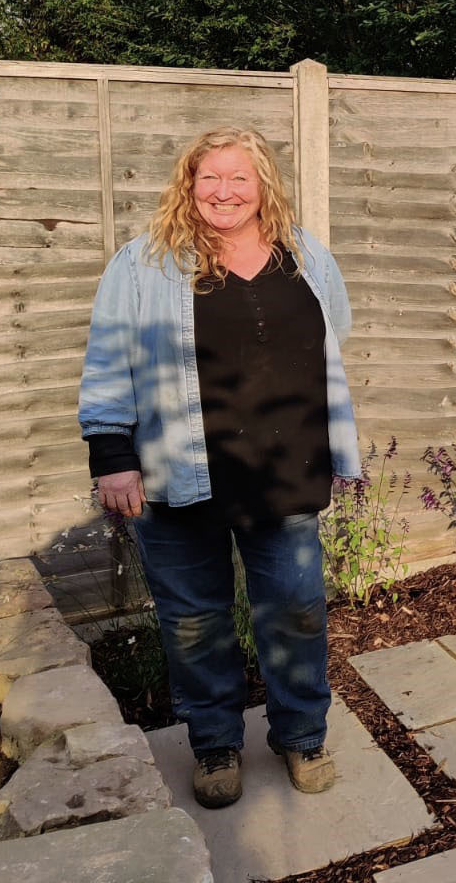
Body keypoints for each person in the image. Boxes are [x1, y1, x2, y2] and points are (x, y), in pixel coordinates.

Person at [78, 127, 361, 809]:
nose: (223, 192)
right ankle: (213, 744)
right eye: (210, 177)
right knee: (192, 620)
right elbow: (108, 360)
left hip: (284, 471)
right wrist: (111, 455)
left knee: (295, 611)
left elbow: (335, 338)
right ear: (189, 183)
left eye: (239, 177)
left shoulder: (307, 257)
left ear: (263, 184)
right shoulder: (144, 264)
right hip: (178, 475)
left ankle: (300, 734)